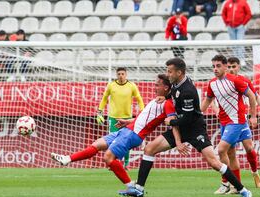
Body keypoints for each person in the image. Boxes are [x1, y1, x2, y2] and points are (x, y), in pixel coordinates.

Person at [119, 58, 253, 197]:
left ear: (179, 72)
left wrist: (172, 121)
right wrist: (165, 97)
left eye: (170, 71)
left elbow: (188, 118)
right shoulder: (175, 83)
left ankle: (243, 190)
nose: (168, 74)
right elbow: (175, 96)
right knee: (150, 149)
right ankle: (139, 188)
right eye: (167, 71)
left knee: (214, 162)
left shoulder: (188, 91)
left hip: (195, 129)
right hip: (181, 127)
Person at [51, 74, 181, 190]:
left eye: (157, 85)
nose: (154, 87)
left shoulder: (167, 103)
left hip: (133, 134)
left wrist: (178, 140)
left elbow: (172, 119)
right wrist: (127, 122)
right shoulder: (157, 100)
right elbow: (142, 119)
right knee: (97, 144)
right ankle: (67, 159)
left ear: (165, 88)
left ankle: (131, 186)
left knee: (108, 157)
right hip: (127, 129)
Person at [200, 55, 258, 195]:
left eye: (218, 66)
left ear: (225, 66)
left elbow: (251, 95)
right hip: (224, 121)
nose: (215, 69)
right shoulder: (212, 83)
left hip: (236, 121)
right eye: (213, 66)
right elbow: (207, 101)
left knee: (221, 150)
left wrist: (253, 115)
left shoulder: (235, 80)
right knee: (231, 153)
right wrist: (195, 114)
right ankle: (235, 186)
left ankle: (226, 182)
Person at [97, 67, 144, 168]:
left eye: (123, 74)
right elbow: (104, 98)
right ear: (116, 75)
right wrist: (100, 111)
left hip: (127, 119)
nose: (121, 76)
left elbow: (139, 99)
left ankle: (126, 164)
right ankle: (112, 163)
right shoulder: (111, 85)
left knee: (126, 142)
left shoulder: (131, 86)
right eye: (119, 74)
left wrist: (142, 111)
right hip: (113, 118)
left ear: (126, 75)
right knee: (112, 142)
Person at [221, 0, 252, 65]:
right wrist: (226, 23)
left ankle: (241, 59)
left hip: (240, 27)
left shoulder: (243, 2)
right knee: (233, 44)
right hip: (230, 27)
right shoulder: (227, 3)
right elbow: (223, 13)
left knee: (240, 43)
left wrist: (243, 23)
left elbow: (249, 13)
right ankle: (235, 60)